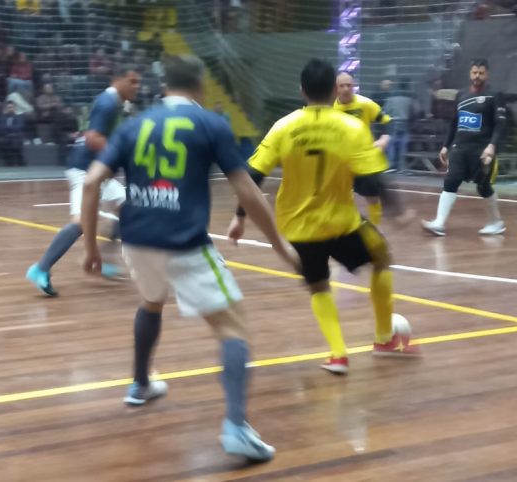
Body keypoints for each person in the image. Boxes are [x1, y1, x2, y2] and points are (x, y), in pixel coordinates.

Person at [81, 55, 299, 462]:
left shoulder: (133, 124)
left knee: (151, 301)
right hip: (184, 243)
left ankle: (141, 384)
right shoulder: (211, 123)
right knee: (232, 326)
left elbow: (92, 182)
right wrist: (280, 246)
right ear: (200, 86)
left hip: (136, 241)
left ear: (164, 85)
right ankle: (236, 427)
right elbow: (248, 192)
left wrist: (92, 249)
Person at [228, 59, 420, 376]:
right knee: (382, 257)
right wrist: (397, 211)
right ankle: (384, 338)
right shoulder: (351, 128)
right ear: (334, 89)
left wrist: (239, 217)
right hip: (342, 222)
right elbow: (374, 176)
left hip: (297, 227)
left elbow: (252, 175)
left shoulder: (284, 126)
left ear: (301, 90)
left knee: (319, 285)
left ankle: (338, 355)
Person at [26, 67, 141, 296]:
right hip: (84, 171)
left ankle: (104, 259)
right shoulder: (107, 102)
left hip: (98, 171)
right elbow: (92, 138)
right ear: (117, 80)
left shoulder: (116, 103)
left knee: (128, 207)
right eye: (132, 81)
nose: (136, 86)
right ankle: (40, 269)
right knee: (81, 222)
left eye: (138, 82)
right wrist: (122, 156)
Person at [422, 59, 507, 236]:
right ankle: (439, 223)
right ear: (470, 74)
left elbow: (500, 125)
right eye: (474, 72)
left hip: (482, 150)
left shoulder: (494, 95)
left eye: (481, 73)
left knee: (483, 187)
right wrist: (445, 146)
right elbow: (454, 123)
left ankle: (496, 223)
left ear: (487, 74)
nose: (477, 76)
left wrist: (492, 146)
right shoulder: (461, 95)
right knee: (451, 181)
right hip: (460, 149)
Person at [333, 72, 391, 225]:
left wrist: (384, 138)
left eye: (349, 85)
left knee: (372, 197)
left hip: (364, 161)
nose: (346, 89)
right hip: (340, 160)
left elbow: (386, 120)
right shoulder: (330, 108)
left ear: (354, 86)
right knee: (339, 197)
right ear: (336, 88)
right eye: (342, 86)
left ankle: (375, 226)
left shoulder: (365, 104)